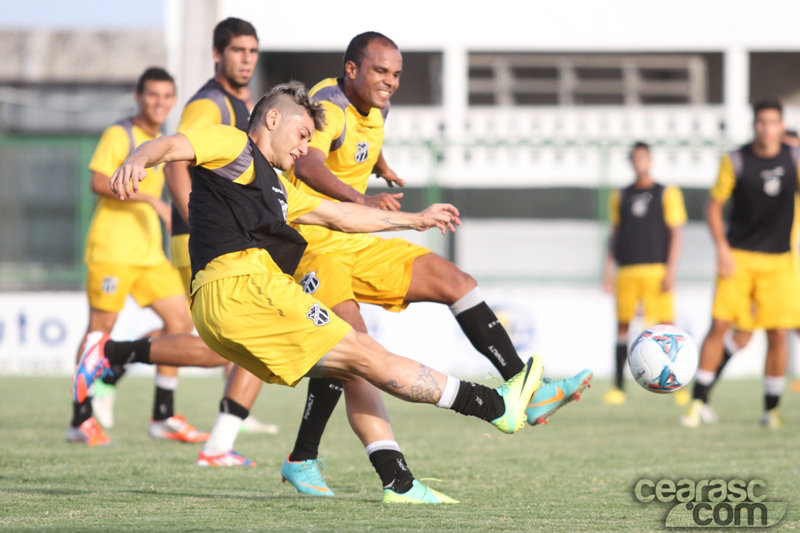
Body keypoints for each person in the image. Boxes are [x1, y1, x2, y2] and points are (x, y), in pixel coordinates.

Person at [77, 81, 564, 503]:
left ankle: (408, 472)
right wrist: (139, 158)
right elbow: (170, 146)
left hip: (227, 304)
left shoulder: (282, 187)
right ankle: (498, 407)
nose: (305, 148)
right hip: (242, 287)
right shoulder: (233, 145)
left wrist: (415, 220)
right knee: (364, 353)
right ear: (272, 119)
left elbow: (343, 216)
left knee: (361, 360)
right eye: (302, 135)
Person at [67, 67, 210, 446]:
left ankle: (162, 414)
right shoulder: (121, 134)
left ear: (174, 100)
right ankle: (79, 418)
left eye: (166, 96)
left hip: (149, 255)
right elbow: (98, 180)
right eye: (152, 95)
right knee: (100, 330)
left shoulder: (165, 141)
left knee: (181, 320)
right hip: (112, 251)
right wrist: (152, 200)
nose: (159, 103)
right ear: (138, 96)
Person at [163, 18, 279, 451]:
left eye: (252, 50)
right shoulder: (209, 103)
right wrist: (199, 225)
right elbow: (176, 161)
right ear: (218, 54)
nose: (247, 58)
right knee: (224, 346)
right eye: (237, 50)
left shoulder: (242, 103)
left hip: (229, 240)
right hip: (201, 239)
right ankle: (113, 355)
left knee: (253, 334)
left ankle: (222, 438)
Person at [681, 99, 800, 428]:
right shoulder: (735, 160)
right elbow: (713, 208)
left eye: (773, 122)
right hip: (739, 258)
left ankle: (771, 409)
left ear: (781, 125)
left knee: (777, 333)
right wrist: (721, 248)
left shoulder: (794, 158)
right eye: (761, 122)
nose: (767, 128)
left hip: (780, 262)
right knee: (720, 326)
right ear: (754, 125)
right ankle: (697, 403)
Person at [601, 141, 687, 405]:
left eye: (643, 158)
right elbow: (616, 233)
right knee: (623, 326)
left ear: (650, 160)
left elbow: (675, 233)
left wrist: (671, 269)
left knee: (668, 327)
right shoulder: (620, 195)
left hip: (656, 268)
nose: (640, 162)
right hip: (627, 269)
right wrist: (608, 268)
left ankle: (677, 383)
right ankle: (619, 386)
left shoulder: (666, 192)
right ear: (631, 161)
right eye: (635, 158)